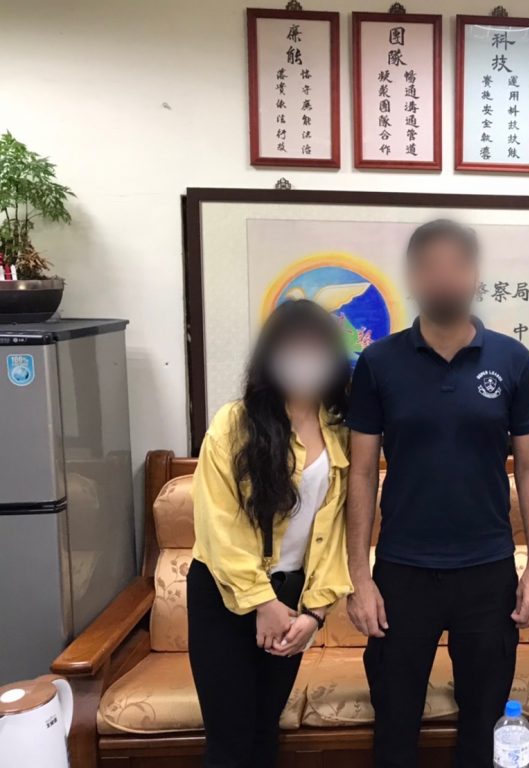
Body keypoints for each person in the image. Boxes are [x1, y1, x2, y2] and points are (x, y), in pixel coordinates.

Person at [344, 219, 529, 768]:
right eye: (429, 267)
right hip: (401, 572)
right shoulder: (378, 363)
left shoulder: (510, 359)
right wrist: (359, 576)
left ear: (474, 274)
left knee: (485, 730)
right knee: (395, 727)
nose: (443, 278)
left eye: (456, 265)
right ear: (413, 277)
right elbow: (360, 473)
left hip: (486, 572)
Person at [187, 299, 354, 768]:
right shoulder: (234, 423)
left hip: (294, 598)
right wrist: (262, 603)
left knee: (265, 734)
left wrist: (315, 614)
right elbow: (219, 525)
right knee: (229, 743)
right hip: (225, 595)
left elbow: (335, 532)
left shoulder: (340, 430)